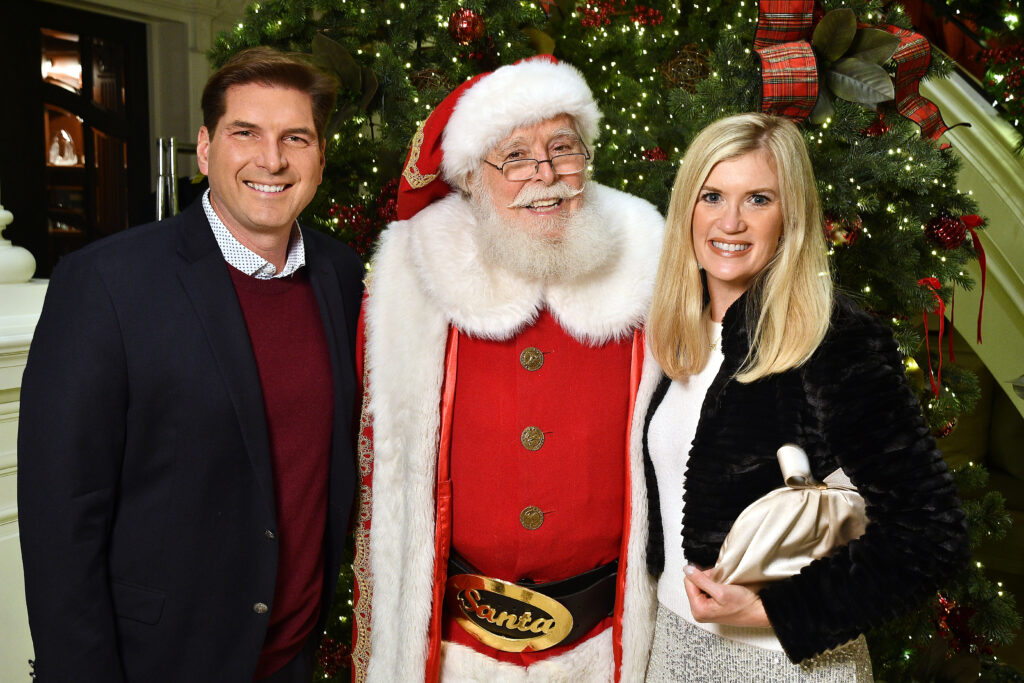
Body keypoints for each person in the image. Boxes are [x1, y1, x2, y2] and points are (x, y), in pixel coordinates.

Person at [18, 47, 364, 682]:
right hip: (158, 662)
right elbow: (60, 516)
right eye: (246, 134)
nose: (273, 159)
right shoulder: (106, 283)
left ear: (319, 157)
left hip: (294, 654)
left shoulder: (341, 276)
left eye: (296, 137)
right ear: (206, 149)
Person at [350, 56, 664, 681]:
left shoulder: (650, 265)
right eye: (514, 157)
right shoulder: (414, 281)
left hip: (604, 650)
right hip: (459, 655)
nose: (544, 176)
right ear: (470, 178)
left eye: (562, 148)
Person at [636, 112, 970, 680]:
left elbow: (932, 534)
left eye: (759, 199)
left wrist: (773, 610)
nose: (731, 222)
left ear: (791, 215)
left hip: (789, 665)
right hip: (672, 650)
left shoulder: (832, 336)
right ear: (687, 206)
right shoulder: (676, 334)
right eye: (712, 195)